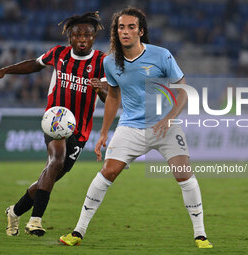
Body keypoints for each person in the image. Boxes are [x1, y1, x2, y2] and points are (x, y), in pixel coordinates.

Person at [59, 8, 212, 248]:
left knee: (183, 174)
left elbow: (183, 90)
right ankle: (78, 231)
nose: (126, 31)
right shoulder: (110, 62)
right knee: (107, 173)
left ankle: (200, 234)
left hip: (165, 127)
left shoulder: (161, 56)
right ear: (115, 31)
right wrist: (102, 133)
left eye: (131, 27)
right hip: (130, 126)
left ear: (141, 31)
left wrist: (170, 117)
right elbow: (112, 97)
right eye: (121, 27)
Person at [0, 12, 108, 237]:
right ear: (70, 38)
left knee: (52, 174)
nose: (82, 38)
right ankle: (35, 220)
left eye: (87, 35)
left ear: (93, 38)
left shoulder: (102, 62)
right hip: (56, 120)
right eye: (77, 34)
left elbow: (109, 96)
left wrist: (101, 89)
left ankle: (14, 211)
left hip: (80, 130)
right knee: (56, 160)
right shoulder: (59, 54)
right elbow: (34, 64)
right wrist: (4, 70)